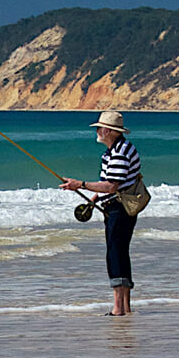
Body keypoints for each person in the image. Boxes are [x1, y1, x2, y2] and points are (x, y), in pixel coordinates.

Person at [60, 110, 141, 316]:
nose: (97, 131)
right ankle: (125, 307)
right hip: (116, 206)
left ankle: (118, 309)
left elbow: (112, 186)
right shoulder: (114, 150)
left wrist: (81, 185)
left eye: (99, 128)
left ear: (109, 131)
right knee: (120, 252)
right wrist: (93, 200)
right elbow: (111, 185)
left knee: (115, 254)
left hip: (119, 208)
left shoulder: (119, 152)